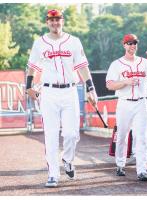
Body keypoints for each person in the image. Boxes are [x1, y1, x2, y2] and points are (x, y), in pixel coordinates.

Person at [26, 9, 98, 187]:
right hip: (49, 93)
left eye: (57, 19)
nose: (54, 23)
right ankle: (53, 174)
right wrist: (28, 86)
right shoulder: (39, 43)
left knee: (71, 134)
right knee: (50, 135)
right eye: (51, 20)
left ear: (62, 21)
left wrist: (91, 88)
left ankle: (67, 159)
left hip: (70, 91)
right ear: (47, 22)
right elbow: (32, 67)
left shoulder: (73, 41)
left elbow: (82, 67)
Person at [106, 34, 147, 181]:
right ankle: (120, 164)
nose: (133, 45)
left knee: (141, 137)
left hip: (141, 102)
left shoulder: (144, 62)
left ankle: (142, 170)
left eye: (135, 43)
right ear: (124, 45)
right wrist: (125, 82)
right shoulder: (116, 64)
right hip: (124, 102)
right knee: (121, 136)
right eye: (130, 43)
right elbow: (109, 85)